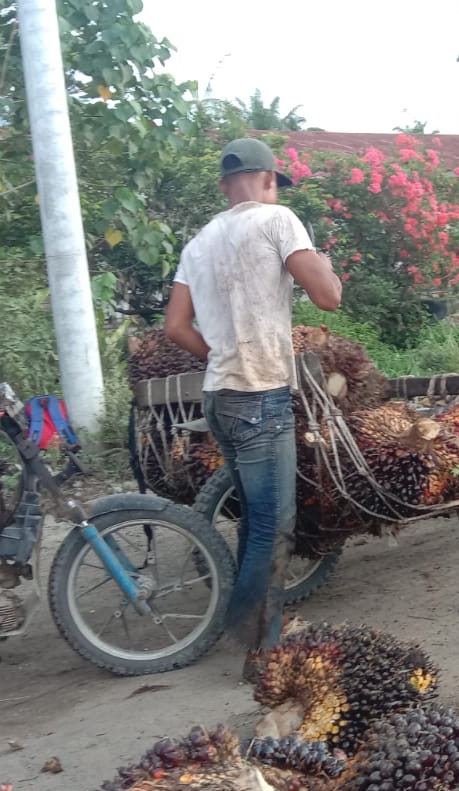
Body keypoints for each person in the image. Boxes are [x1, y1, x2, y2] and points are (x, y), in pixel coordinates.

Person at [164, 137, 342, 664]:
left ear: (224, 188)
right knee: (273, 522)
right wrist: (325, 264)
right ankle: (257, 646)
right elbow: (328, 297)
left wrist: (220, 354)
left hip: (220, 396)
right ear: (269, 180)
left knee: (255, 519)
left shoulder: (197, 244)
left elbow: (175, 327)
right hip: (260, 396)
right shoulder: (277, 219)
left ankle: (252, 628)